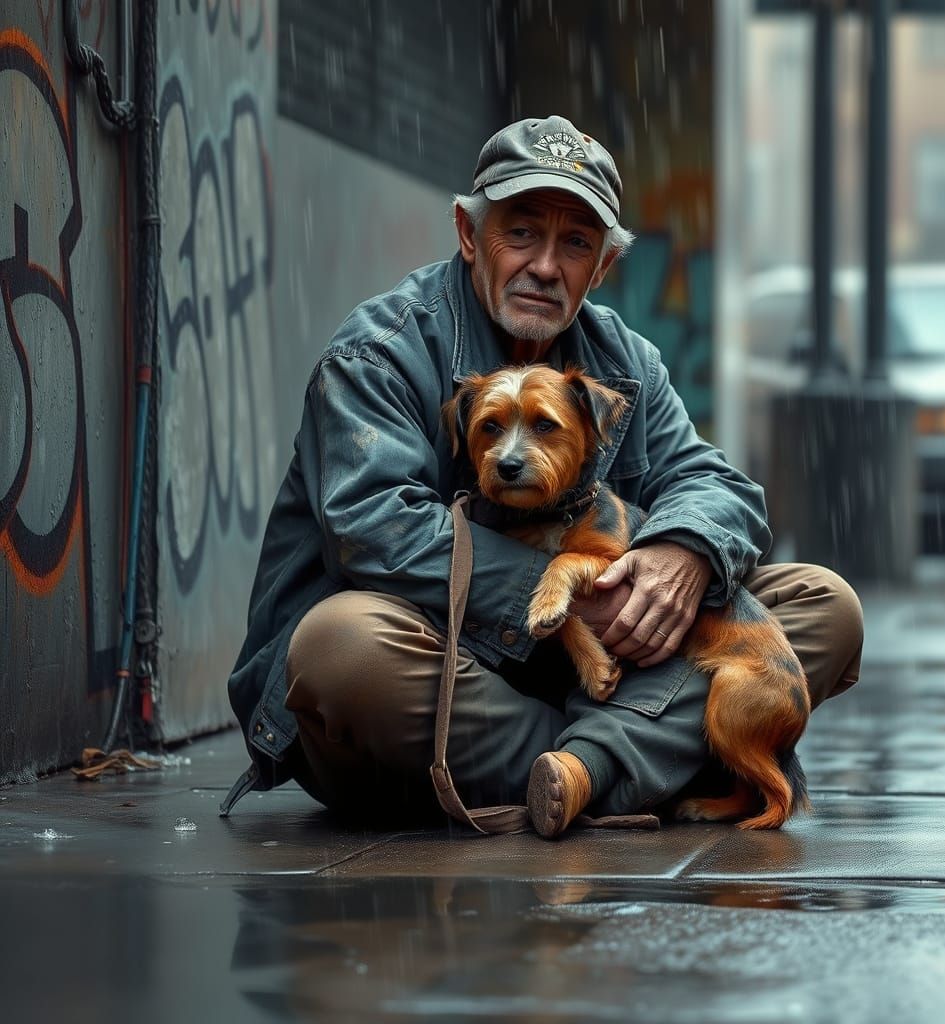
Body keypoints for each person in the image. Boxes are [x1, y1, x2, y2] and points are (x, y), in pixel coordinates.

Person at [221, 115, 863, 836]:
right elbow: (373, 529)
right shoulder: (381, 351)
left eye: (576, 243)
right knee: (338, 649)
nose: (546, 266)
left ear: (603, 268)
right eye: (521, 233)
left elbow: (717, 486)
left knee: (823, 604)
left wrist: (680, 554)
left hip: (584, 678)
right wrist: (558, 598)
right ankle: (635, 758)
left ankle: (583, 771)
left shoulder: (627, 364)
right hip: (443, 681)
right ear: (470, 235)